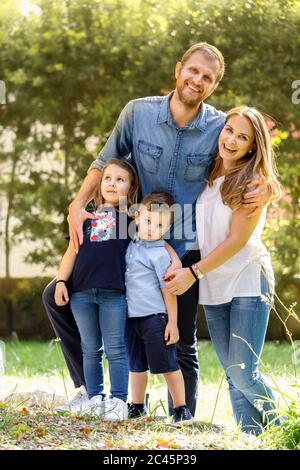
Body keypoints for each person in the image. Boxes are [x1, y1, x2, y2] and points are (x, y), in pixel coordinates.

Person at [43, 42, 272, 417]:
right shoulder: (138, 112)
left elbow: (247, 151)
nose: (197, 80)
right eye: (193, 71)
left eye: (207, 78)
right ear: (179, 69)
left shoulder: (218, 126)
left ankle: (184, 416)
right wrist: (77, 205)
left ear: (213, 86)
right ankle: (90, 391)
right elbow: (103, 160)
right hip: (130, 240)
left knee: (180, 339)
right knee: (57, 295)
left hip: (182, 250)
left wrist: (267, 184)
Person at [165, 106, 281, 434]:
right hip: (215, 283)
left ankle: (285, 428)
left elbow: (236, 241)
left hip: (247, 279)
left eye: (242, 137)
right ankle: (252, 437)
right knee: (232, 372)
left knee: (244, 371)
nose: (231, 139)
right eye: (229, 130)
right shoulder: (207, 173)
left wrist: (193, 273)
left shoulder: (253, 183)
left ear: (252, 147)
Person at [53, 158, 138, 420]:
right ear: (99, 184)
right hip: (81, 293)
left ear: (130, 188)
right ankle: (95, 398)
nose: (112, 183)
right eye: (108, 178)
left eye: (120, 179)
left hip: (114, 292)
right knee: (90, 348)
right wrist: (60, 282)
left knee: (115, 348)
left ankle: (119, 401)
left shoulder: (131, 218)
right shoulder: (84, 216)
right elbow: (71, 252)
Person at [125, 192, 193, 425]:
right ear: (136, 217)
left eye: (160, 224)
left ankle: (181, 408)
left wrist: (172, 322)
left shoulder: (160, 253)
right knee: (136, 365)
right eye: (147, 221)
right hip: (131, 317)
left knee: (166, 364)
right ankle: (136, 406)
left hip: (155, 317)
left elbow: (168, 290)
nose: (152, 228)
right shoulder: (131, 245)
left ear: (168, 227)